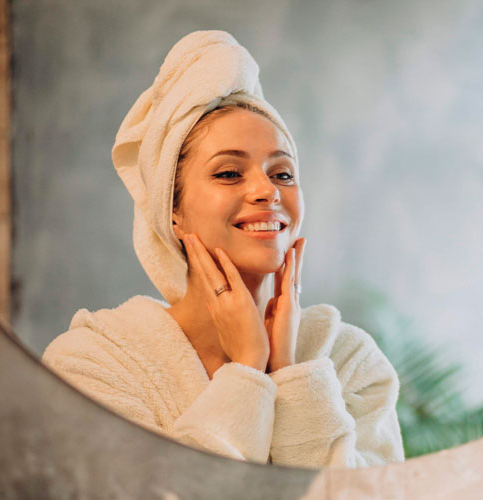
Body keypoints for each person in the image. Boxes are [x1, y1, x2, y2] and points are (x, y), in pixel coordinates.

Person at [41, 30, 405, 468]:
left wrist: (290, 372)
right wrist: (248, 370)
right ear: (171, 210)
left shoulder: (349, 361)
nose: (268, 191)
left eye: (283, 174)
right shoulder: (94, 363)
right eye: (229, 173)